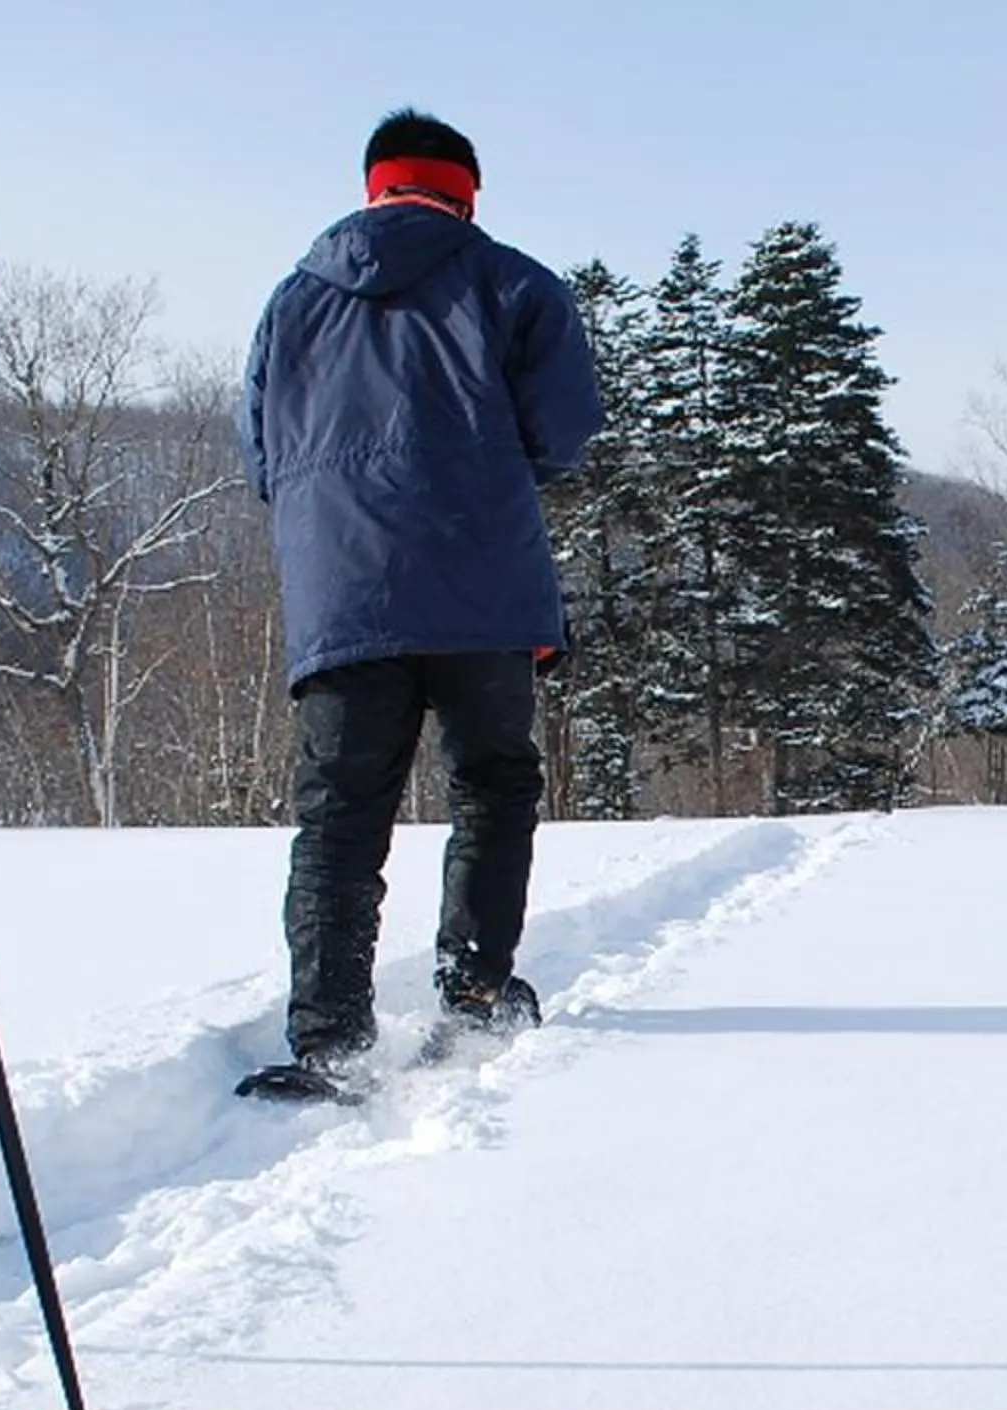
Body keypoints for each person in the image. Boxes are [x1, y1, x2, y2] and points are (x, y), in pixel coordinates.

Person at [237, 109, 604, 1101]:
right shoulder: (515, 284)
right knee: (490, 781)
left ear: (375, 188)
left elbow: (263, 457)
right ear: (465, 191)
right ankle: (476, 992)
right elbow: (567, 430)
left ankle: (328, 1039)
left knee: (341, 817)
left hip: (343, 591)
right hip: (482, 582)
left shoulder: (290, 302)